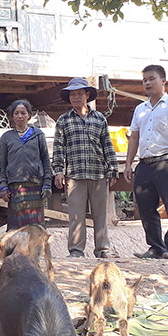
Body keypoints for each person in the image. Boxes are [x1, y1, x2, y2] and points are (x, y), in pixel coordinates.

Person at [123, 65, 168, 259]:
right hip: (144, 164)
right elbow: (134, 138)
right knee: (145, 208)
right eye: (144, 80)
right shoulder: (139, 109)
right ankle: (155, 247)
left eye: (151, 79)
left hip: (166, 163)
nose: (147, 83)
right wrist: (128, 163)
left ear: (163, 81)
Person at [52, 78, 119, 259]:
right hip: (75, 177)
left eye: (79, 93)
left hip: (98, 174)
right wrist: (58, 171)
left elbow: (107, 145)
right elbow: (58, 148)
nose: (76, 97)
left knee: (100, 215)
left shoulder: (99, 119)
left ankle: (103, 250)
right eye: (72, 94)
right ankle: (76, 251)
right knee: (76, 216)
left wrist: (113, 168)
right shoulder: (63, 121)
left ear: (87, 95)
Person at [0, 99, 53, 230]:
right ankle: (18, 250)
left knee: (35, 226)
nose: (20, 116)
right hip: (15, 187)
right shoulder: (7, 137)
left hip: (35, 185)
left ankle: (36, 249)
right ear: (12, 116)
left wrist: (47, 183)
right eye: (16, 113)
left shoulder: (38, 135)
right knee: (17, 225)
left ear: (29, 115)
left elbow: (45, 160)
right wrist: (3, 186)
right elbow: (3, 164)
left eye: (23, 113)